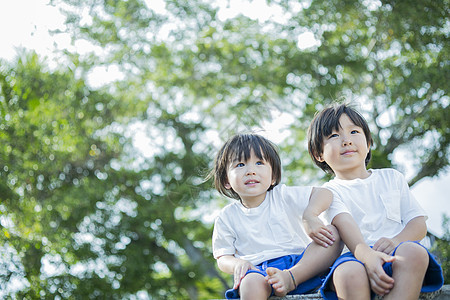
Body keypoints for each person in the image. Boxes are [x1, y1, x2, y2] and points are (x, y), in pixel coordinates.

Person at [307, 102, 444, 300]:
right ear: (318, 154)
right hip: (353, 256)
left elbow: (418, 223)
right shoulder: (329, 191)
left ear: (369, 142)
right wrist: (367, 257)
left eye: (354, 132)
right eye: (334, 136)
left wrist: (396, 240)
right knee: (348, 274)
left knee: (415, 252)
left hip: (395, 249)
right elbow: (345, 226)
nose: (346, 140)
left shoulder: (392, 177)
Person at [209, 133, 343, 300]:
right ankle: (274, 281)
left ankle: (291, 279)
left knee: (333, 233)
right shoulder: (226, 217)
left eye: (259, 163)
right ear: (226, 181)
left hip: (303, 266)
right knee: (250, 282)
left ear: (273, 176)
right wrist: (239, 264)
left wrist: (310, 215)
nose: (251, 171)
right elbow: (223, 257)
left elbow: (324, 193)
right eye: (240, 164)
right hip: (260, 273)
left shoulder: (282, 195)